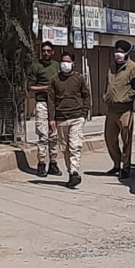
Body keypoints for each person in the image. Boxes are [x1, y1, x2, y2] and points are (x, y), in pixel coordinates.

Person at [48, 51, 90, 189]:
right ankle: (70, 172)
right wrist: (51, 118)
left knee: (75, 145)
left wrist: (84, 114)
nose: (65, 64)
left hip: (76, 117)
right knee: (65, 147)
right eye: (63, 61)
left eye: (68, 61)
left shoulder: (79, 78)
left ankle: (74, 171)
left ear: (73, 63)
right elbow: (51, 100)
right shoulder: (55, 80)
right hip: (61, 119)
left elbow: (86, 96)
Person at [103, 40, 135, 180]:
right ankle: (116, 164)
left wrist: (126, 99)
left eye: (121, 51)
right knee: (110, 138)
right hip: (111, 109)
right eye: (116, 51)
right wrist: (106, 96)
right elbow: (107, 84)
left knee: (126, 140)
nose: (118, 54)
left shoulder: (133, 68)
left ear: (127, 53)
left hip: (125, 110)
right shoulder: (112, 67)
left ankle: (125, 167)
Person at [29, 41, 61, 178]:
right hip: (42, 103)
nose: (46, 53)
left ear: (52, 52)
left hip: (55, 104)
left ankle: (53, 163)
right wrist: (45, 88)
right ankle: (41, 163)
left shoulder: (56, 66)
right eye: (44, 51)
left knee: (54, 135)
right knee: (43, 135)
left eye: (48, 51)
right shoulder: (36, 67)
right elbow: (31, 87)